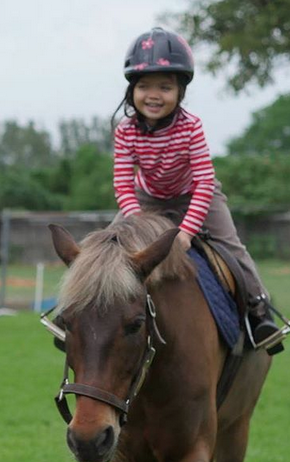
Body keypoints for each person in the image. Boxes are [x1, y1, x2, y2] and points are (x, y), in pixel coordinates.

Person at [112, 26, 285, 355]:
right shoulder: (125, 131)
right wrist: (136, 221)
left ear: (180, 91)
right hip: (147, 199)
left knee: (232, 248)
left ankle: (259, 310)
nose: (154, 94)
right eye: (144, 86)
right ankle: (80, 311)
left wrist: (187, 232)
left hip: (196, 194)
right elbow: (123, 181)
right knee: (106, 246)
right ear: (132, 89)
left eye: (165, 87)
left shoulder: (191, 127)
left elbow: (205, 181)